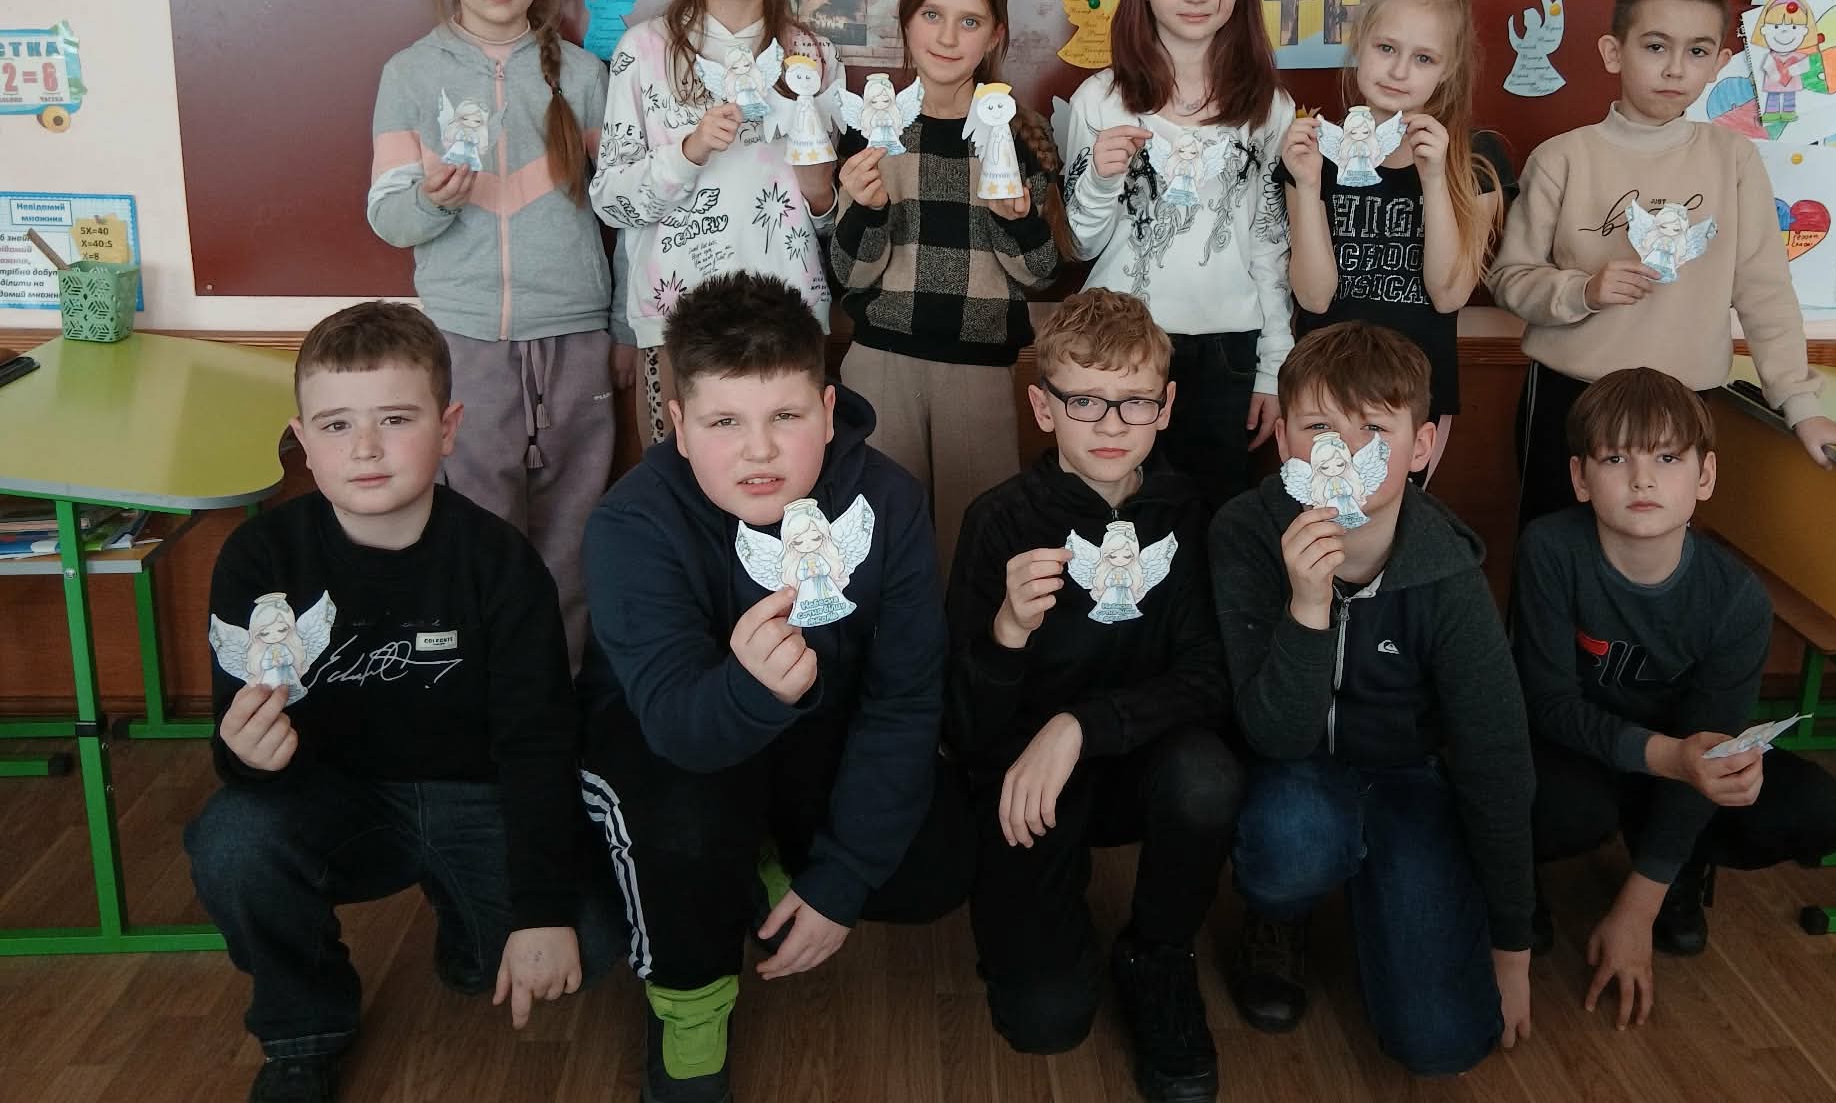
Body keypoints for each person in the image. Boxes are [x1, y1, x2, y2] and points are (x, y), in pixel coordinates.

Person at [184, 302, 594, 1103]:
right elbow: (239, 750)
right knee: (233, 841)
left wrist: (541, 912)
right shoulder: (260, 558)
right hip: (337, 800)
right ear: (302, 442)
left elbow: (540, 744)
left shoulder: (501, 564)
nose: (365, 448)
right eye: (336, 425)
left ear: (449, 428)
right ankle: (304, 1030)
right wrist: (246, 758)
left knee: (588, 944)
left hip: (479, 795)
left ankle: (468, 931)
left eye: (396, 419)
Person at [579, 271, 970, 1102]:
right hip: (667, 753)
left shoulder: (890, 502)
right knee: (688, 831)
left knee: (932, 863)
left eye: (785, 417)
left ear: (827, 412)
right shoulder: (630, 523)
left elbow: (905, 700)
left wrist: (841, 880)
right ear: (679, 426)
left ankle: (775, 856)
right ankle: (690, 1007)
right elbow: (673, 725)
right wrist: (750, 691)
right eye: (724, 421)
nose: (758, 451)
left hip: (816, 738)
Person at [1213, 322, 1536, 1077]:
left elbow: (1496, 759)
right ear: (1284, 443)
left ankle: (1393, 892)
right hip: (1292, 770)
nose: (1345, 454)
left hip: (1404, 776)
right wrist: (1307, 605)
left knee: (1442, 1042)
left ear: (1421, 447)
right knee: (1295, 836)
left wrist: (1512, 945)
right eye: (1320, 430)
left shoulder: (1447, 572)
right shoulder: (1245, 533)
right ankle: (1280, 914)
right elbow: (1274, 734)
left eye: (1376, 432)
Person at [947, 289, 1239, 1102]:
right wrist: (1007, 632)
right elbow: (964, 726)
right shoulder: (998, 523)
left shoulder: (1190, 515)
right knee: (1045, 1021)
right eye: (1084, 401)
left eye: (1134, 401)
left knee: (1208, 778)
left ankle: (1159, 953)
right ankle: (1041, 921)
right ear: (1043, 408)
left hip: (1145, 764)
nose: (1111, 424)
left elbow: (1210, 678)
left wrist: (1081, 724)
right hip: (1030, 787)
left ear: (1165, 406)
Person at [1486, 0, 1836, 527]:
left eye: (1697, 51)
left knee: (1655, 553)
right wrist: (1584, 291)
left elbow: (1764, 290)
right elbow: (1509, 280)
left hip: (1682, 404)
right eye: (1655, 46)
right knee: (1551, 548)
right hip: (1570, 396)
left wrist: (1802, 407)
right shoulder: (1563, 158)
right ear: (1613, 52)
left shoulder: (1733, 160)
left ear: (1720, 63)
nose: (1675, 68)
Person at [1513, 368, 1836, 1027]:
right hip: (1576, 754)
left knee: (1817, 809)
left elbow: (1712, 746)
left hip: (1679, 763)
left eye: (1667, 458)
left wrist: (1635, 910)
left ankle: (1672, 863)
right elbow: (1547, 703)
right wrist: (1670, 757)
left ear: (1705, 476)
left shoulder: (1736, 600)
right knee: (1554, 801)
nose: (1643, 480)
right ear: (1581, 477)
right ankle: (1513, 877)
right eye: (1617, 459)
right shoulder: (1550, 550)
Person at [366, 0, 615, 668]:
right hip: (464, 339)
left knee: (574, 532)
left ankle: (560, 689)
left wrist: (620, 328)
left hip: (575, 336)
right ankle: (486, 690)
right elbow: (388, 215)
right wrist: (433, 201)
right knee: (478, 526)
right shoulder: (410, 75)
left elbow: (622, 211)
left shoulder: (584, 77)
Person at [834, 0, 1068, 577]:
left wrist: (1014, 219)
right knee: (878, 549)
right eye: (932, 15)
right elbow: (849, 273)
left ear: (995, 35)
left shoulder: (1017, 136)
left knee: (973, 551)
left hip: (980, 370)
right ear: (905, 22)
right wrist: (867, 210)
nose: (946, 37)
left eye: (969, 21)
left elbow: (1040, 272)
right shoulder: (870, 130)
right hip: (881, 362)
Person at [590, 0, 843, 452]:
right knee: (679, 486)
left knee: (783, 480)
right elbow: (612, 203)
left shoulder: (812, 55)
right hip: (676, 318)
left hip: (790, 315)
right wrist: (690, 151)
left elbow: (830, 221)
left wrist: (821, 191)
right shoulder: (643, 51)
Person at [1061, 0, 1294, 510]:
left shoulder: (1269, 109)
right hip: (1117, 348)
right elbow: (1080, 244)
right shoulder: (1100, 101)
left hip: (1228, 347)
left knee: (1212, 515)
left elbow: (1270, 245)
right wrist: (1100, 177)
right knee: (1115, 515)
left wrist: (1274, 365)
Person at [1279, 0, 1512, 482]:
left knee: (1396, 518)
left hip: (1413, 396)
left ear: (1448, 69)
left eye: (1424, 58)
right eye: (1386, 48)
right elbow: (1314, 297)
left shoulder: (1474, 159)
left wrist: (1433, 178)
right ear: (1359, 44)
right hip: (1323, 390)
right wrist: (1310, 185)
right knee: (1325, 516)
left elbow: (1448, 295)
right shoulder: (1315, 150)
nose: (1400, 71)